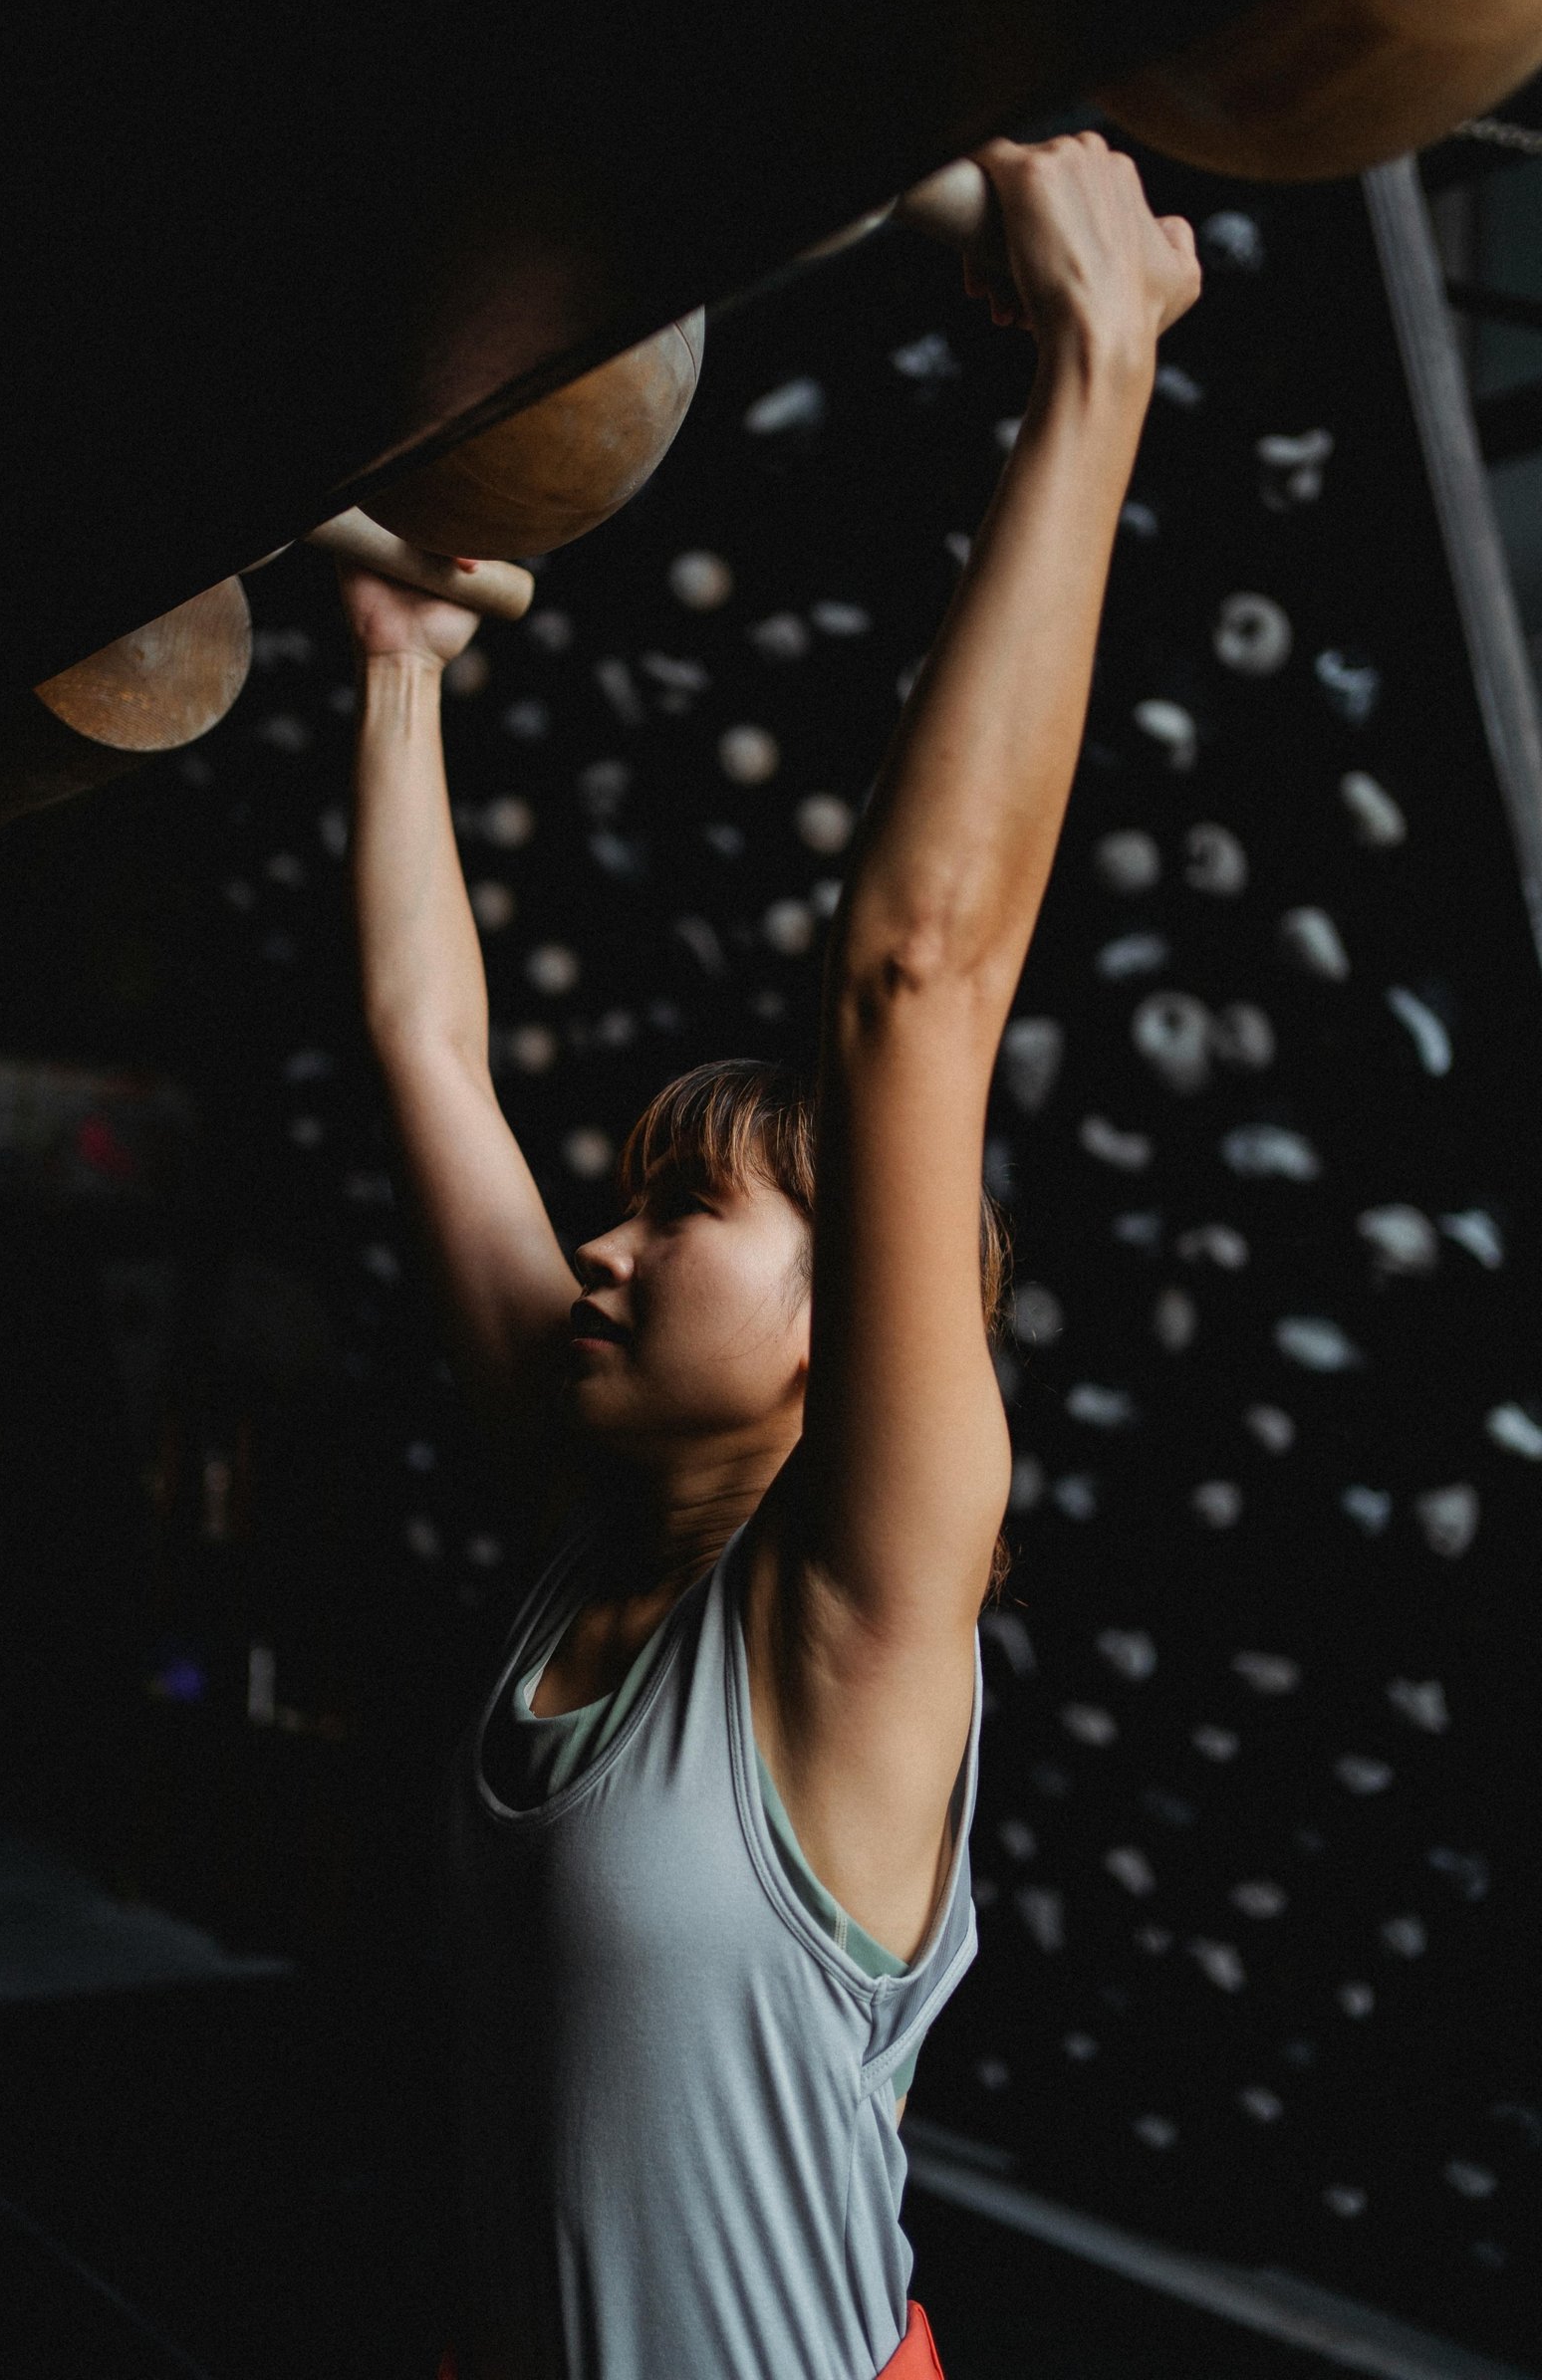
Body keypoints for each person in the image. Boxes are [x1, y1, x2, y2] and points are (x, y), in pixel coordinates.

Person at [339, 131, 1199, 2380]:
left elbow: (914, 980)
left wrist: (1091, 367)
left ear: (848, 1335)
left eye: (682, 1211)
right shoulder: (584, 1521)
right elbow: (429, 1046)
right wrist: (404, 669)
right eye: (618, 1203)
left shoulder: (855, 1626)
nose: (600, 1249)